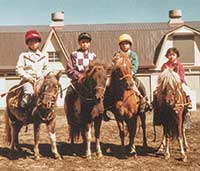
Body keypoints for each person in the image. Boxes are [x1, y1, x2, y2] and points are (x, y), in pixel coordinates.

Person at [117, 33, 151, 111]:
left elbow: (135, 65)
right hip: (119, 77)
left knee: (141, 87)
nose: (125, 45)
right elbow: (114, 65)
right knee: (108, 87)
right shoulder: (117, 55)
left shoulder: (133, 54)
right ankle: (106, 106)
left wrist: (131, 72)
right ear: (120, 45)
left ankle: (144, 101)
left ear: (130, 45)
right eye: (123, 44)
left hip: (130, 76)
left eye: (126, 44)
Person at [16, 29, 48, 109]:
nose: (33, 44)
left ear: (39, 42)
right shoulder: (23, 55)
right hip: (28, 80)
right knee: (29, 93)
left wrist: (42, 76)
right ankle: (23, 111)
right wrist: (28, 77)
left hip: (40, 80)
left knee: (49, 93)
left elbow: (46, 68)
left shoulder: (44, 55)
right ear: (27, 43)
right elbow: (18, 69)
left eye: (35, 41)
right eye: (31, 42)